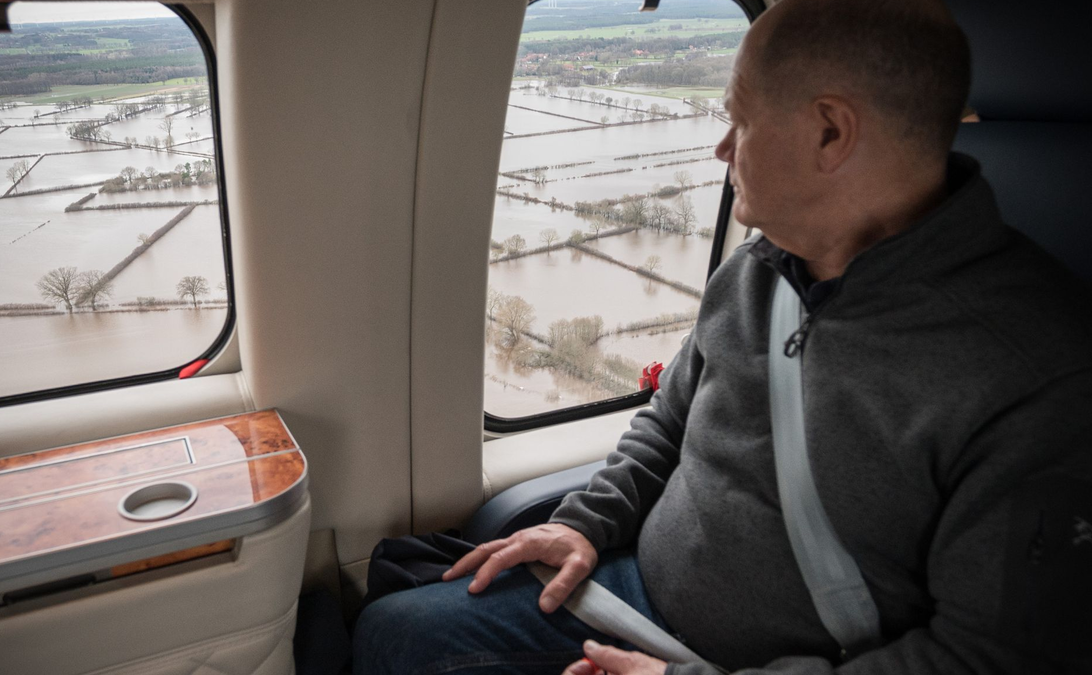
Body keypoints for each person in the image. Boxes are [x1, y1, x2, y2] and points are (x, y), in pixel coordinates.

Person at [353, 0, 1092, 673]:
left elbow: (985, 657)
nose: (721, 147)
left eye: (740, 120)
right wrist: (585, 523)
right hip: (632, 595)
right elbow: (667, 422)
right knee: (391, 631)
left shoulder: (1033, 375)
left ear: (830, 132)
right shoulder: (758, 269)